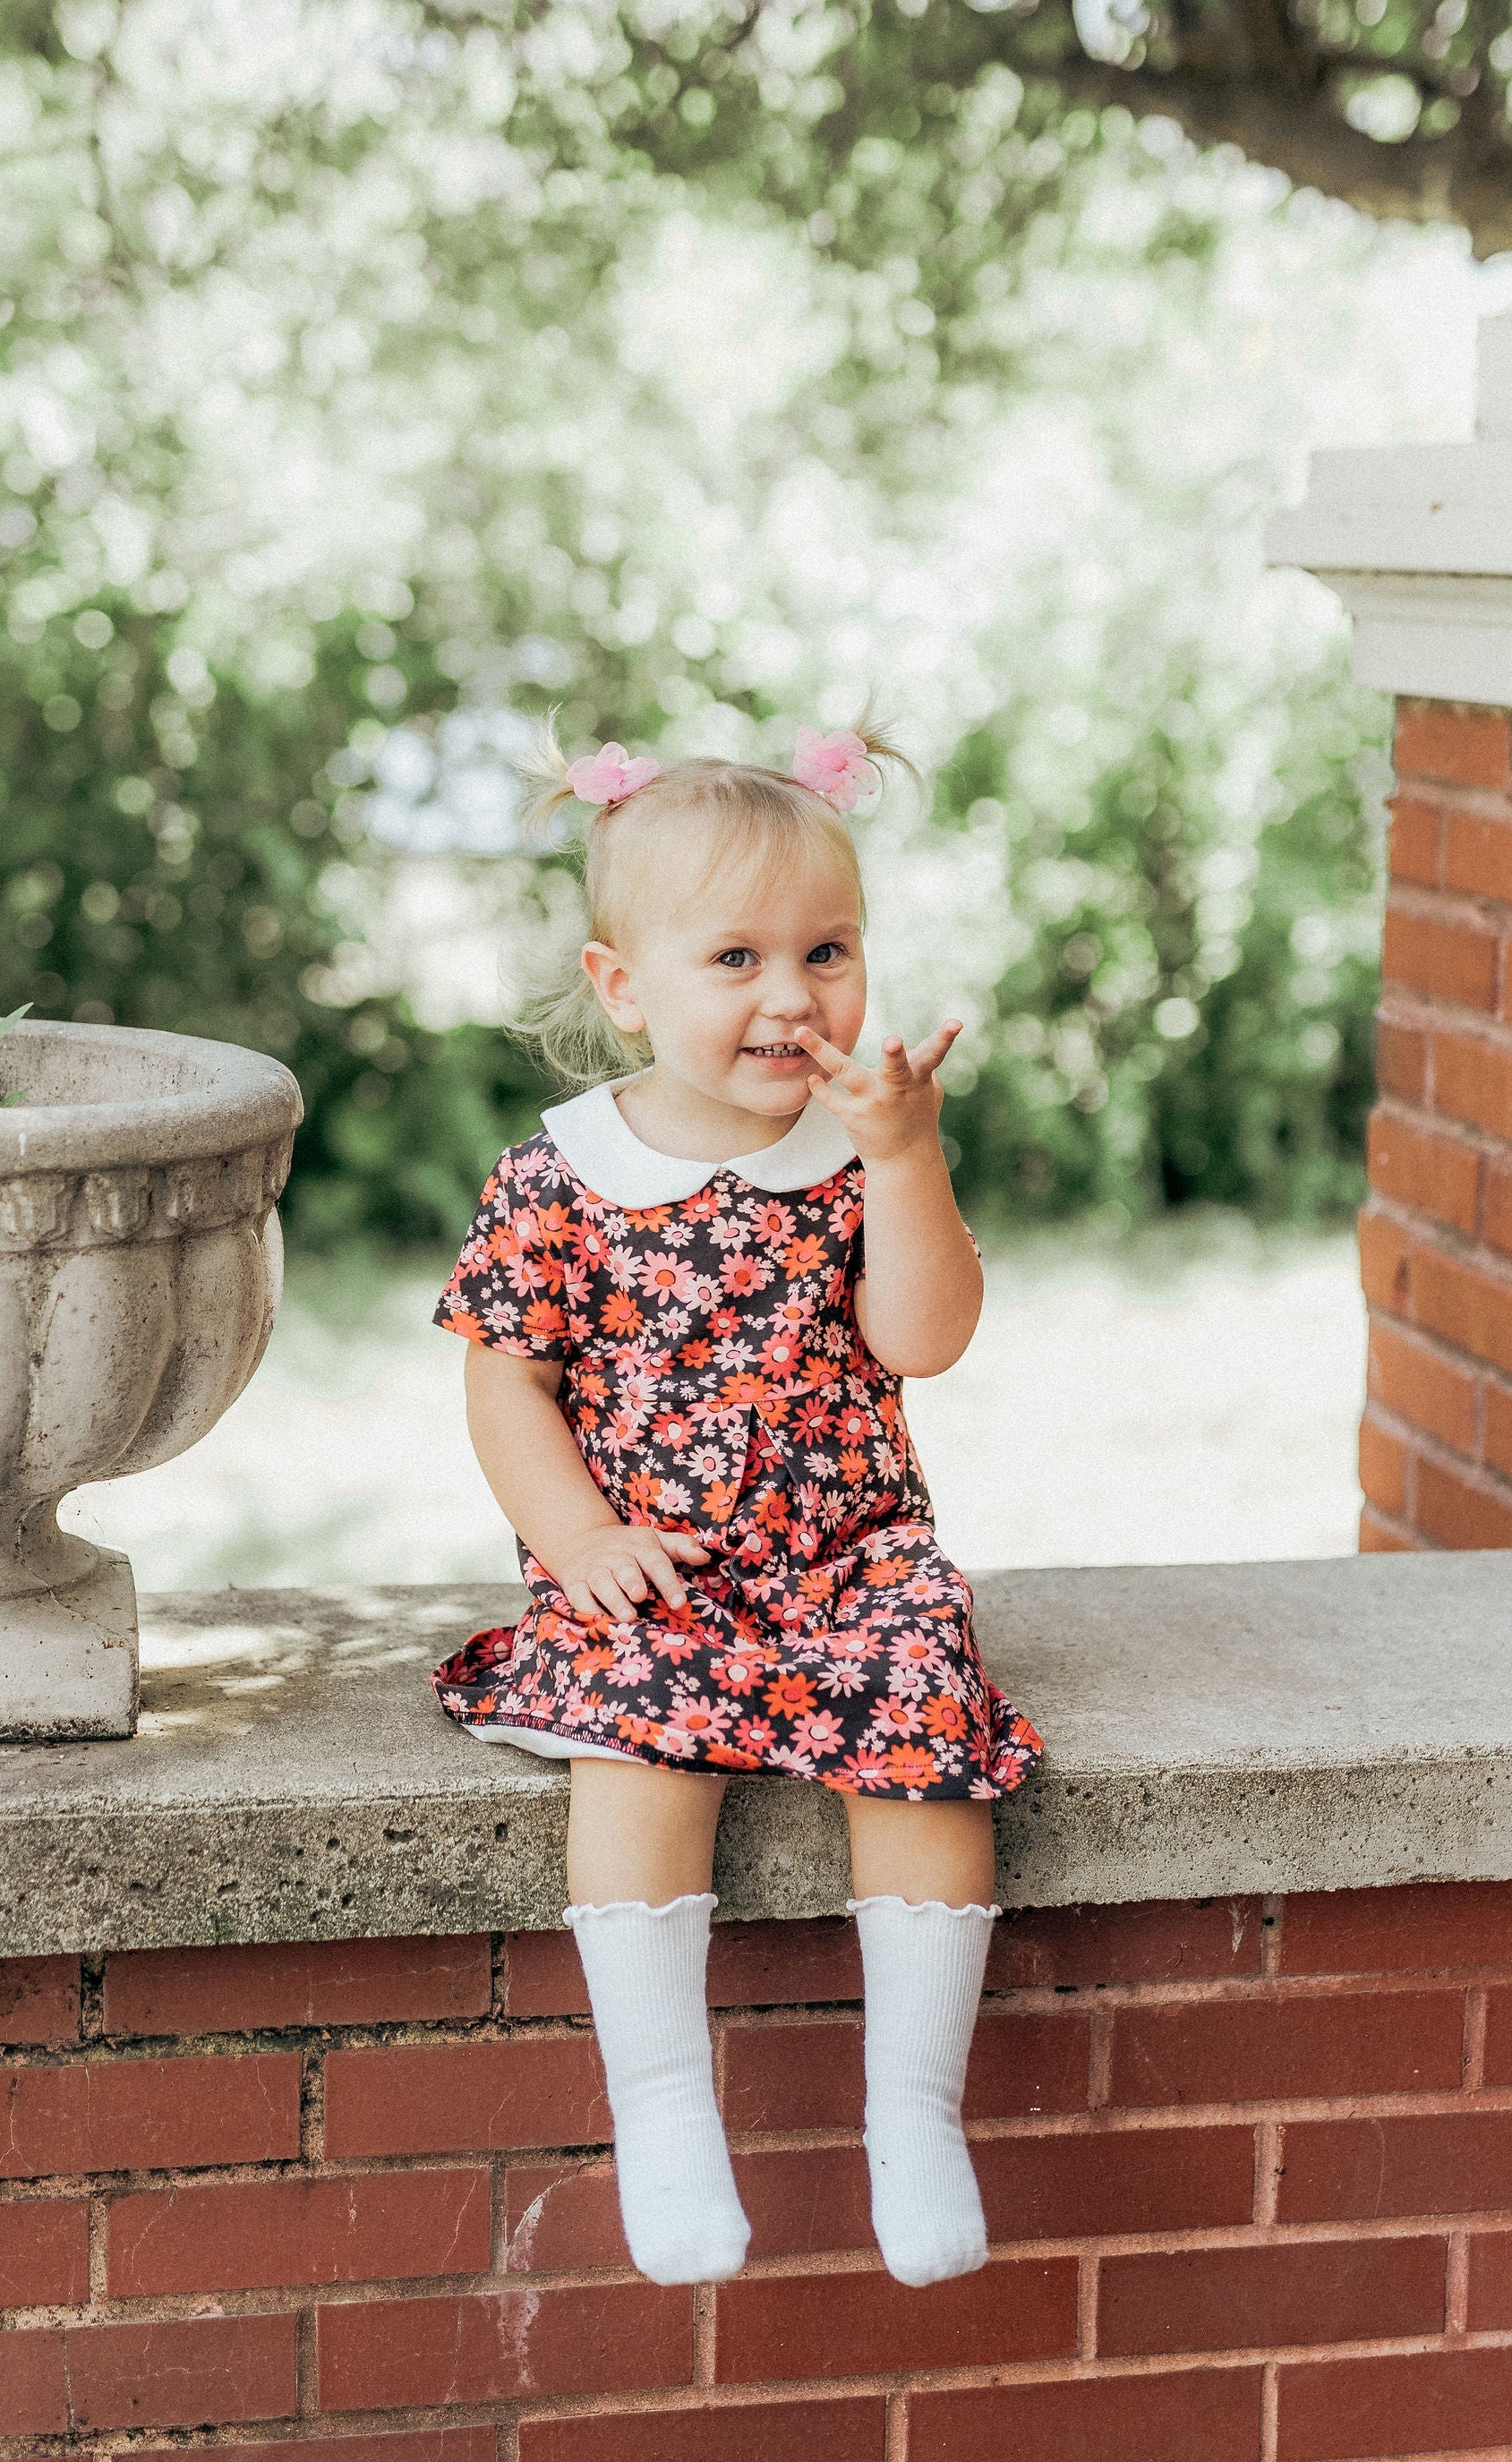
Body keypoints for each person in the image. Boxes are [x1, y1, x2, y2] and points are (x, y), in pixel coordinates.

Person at [431, 721, 1041, 2290]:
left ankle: (915, 2114)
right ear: (623, 984)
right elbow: (508, 1386)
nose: (792, 995)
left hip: (852, 1559)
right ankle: (662, 2112)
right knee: (638, 1746)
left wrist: (909, 1161)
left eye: (827, 950)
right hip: (658, 1566)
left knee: (925, 1740)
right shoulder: (562, 1176)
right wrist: (580, 1541)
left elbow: (925, 1339)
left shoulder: (860, 1153)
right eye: (736, 958)